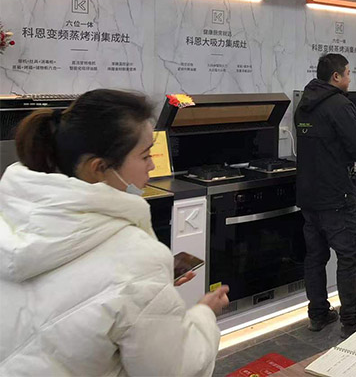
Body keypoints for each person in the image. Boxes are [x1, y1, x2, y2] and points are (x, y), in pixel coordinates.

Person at [0, 89, 228, 376]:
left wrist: (151, 290)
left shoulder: (10, 218)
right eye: (145, 155)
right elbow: (173, 369)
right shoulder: (138, 261)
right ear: (98, 168)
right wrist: (204, 314)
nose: (152, 165)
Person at [295, 53, 356, 337]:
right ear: (336, 76)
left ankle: (318, 314)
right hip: (336, 195)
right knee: (349, 255)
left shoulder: (303, 104)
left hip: (308, 195)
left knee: (315, 256)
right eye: (348, 73)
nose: (350, 79)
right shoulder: (339, 105)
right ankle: (352, 319)